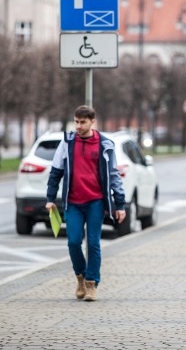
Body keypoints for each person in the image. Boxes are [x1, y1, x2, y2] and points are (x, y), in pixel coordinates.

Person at [45, 105, 127, 302]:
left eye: (83, 122)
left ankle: (91, 284)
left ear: (92, 122)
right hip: (72, 202)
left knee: (93, 243)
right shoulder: (67, 142)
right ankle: (80, 276)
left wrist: (120, 204)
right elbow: (56, 172)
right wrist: (49, 199)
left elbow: (113, 175)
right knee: (73, 242)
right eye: (76, 122)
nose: (78, 126)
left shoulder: (105, 144)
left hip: (95, 202)